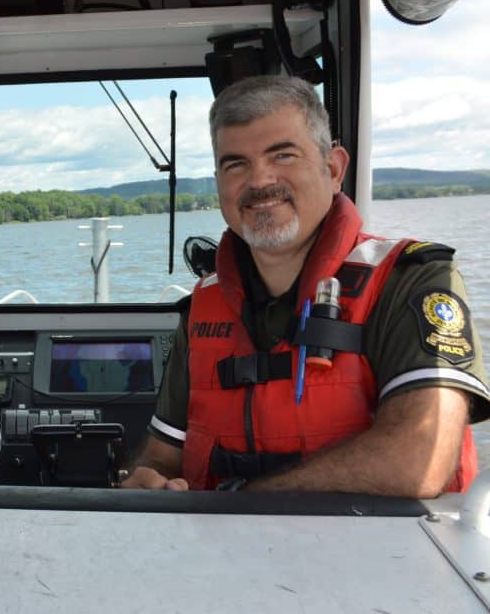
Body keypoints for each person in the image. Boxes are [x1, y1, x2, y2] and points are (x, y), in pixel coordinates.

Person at [124, 76, 489, 496]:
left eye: (282, 155)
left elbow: (417, 461)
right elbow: (162, 453)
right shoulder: (202, 307)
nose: (260, 181)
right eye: (236, 164)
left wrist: (247, 500)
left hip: (384, 555)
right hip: (215, 553)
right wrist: (149, 477)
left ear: (333, 169)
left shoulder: (412, 281)